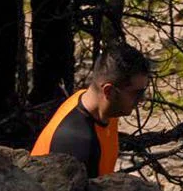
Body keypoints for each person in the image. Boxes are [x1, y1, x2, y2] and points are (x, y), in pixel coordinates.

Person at [30, 40, 152, 178]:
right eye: (137, 93)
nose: (142, 99)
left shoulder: (100, 107)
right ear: (109, 91)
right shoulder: (78, 145)